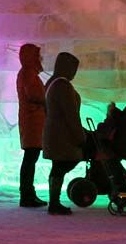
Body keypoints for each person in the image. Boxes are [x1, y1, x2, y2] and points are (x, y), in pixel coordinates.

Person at [42, 52, 85, 215]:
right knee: (63, 165)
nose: (74, 72)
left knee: (58, 167)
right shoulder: (63, 86)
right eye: (73, 68)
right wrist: (80, 136)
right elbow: (71, 114)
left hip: (54, 132)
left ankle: (54, 201)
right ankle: (54, 203)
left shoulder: (51, 83)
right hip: (63, 135)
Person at [16, 43, 47, 208]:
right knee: (30, 158)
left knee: (30, 158)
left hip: (33, 121)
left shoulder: (28, 73)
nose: (40, 59)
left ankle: (28, 194)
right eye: (37, 55)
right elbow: (34, 95)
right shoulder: (28, 74)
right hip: (32, 121)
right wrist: (46, 96)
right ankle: (27, 195)